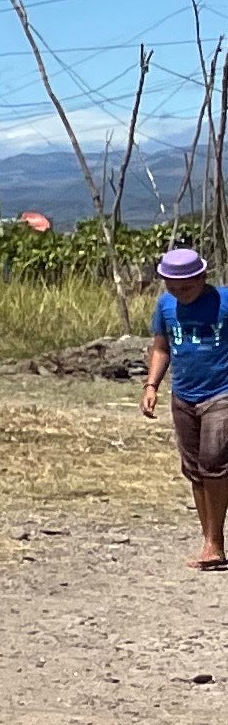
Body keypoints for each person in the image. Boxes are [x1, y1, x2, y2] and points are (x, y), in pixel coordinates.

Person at [143, 243, 228, 569]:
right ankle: (208, 538)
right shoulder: (165, 306)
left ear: (203, 277)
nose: (180, 293)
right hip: (183, 395)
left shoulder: (223, 302)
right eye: (173, 287)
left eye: (187, 286)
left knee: (214, 461)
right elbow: (161, 348)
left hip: (221, 393)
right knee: (194, 469)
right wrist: (152, 386)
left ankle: (215, 542)